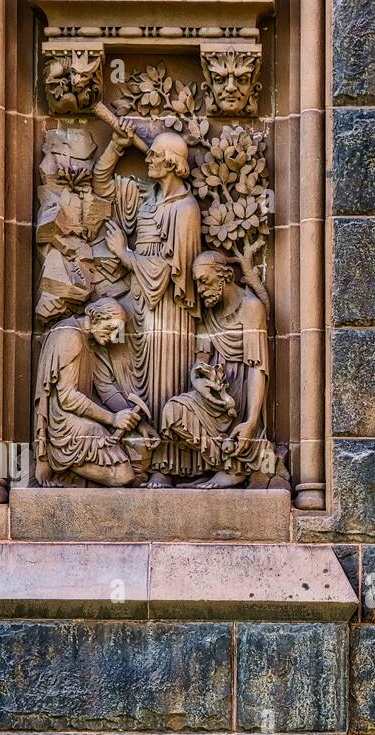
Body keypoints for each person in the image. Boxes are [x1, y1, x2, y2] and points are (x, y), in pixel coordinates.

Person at [96, 124, 202, 486]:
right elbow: (102, 184)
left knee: (164, 382)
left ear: (173, 164)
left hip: (169, 310)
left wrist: (125, 255)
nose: (149, 160)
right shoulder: (145, 198)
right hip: (140, 305)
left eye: (155, 155)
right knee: (135, 382)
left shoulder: (186, 209)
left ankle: (165, 467)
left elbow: (175, 271)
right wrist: (116, 144)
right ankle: (135, 452)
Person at [155, 249, 283, 488]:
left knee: (240, 427)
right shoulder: (209, 311)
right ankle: (224, 461)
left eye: (204, 282)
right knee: (172, 413)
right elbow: (201, 360)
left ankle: (237, 465)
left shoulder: (250, 307)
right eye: (197, 284)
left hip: (242, 391)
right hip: (214, 392)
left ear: (224, 276)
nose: (201, 290)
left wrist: (252, 421)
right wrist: (201, 382)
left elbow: (257, 368)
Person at [33, 298, 152, 487]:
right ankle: (64, 464)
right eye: (111, 328)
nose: (114, 337)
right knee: (123, 475)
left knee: (138, 449)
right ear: (96, 317)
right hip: (64, 425)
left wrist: (133, 420)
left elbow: (105, 388)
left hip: (83, 417)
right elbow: (68, 398)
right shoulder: (70, 335)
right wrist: (113, 419)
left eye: (117, 333)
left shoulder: (91, 341)